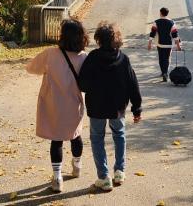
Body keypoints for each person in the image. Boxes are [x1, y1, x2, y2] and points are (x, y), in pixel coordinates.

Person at [26, 19, 89, 193]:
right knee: (76, 135)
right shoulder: (84, 57)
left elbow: (31, 69)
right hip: (74, 104)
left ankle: (57, 177)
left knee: (57, 140)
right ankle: (77, 166)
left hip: (53, 103)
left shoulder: (50, 54)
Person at [78, 21, 142, 192]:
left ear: (98, 39)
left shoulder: (92, 58)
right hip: (118, 107)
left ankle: (104, 177)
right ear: (117, 39)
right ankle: (120, 171)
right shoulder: (123, 59)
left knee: (97, 138)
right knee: (119, 135)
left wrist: (94, 86)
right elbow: (133, 85)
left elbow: (82, 84)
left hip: (97, 106)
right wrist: (137, 109)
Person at [148, 7, 181, 82]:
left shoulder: (156, 22)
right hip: (169, 44)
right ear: (167, 13)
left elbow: (152, 33)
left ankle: (163, 72)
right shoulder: (172, 22)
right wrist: (178, 46)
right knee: (167, 58)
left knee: (161, 58)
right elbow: (175, 35)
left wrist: (149, 43)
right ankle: (165, 73)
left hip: (160, 44)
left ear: (160, 13)